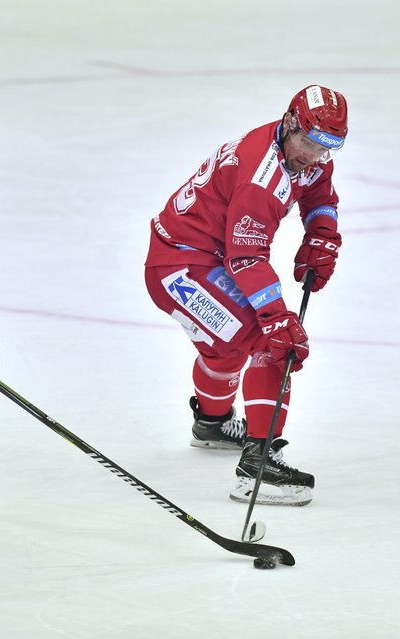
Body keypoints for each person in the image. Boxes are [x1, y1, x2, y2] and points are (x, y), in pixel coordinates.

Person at [145, 85, 348, 506]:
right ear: (291, 122)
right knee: (269, 340)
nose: (313, 155)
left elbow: (318, 191)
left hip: (199, 258)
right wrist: (276, 316)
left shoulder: (299, 152)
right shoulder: (262, 176)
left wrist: (322, 235)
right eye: (308, 143)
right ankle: (260, 464)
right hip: (183, 267)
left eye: (326, 148)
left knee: (226, 350)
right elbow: (247, 257)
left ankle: (213, 424)